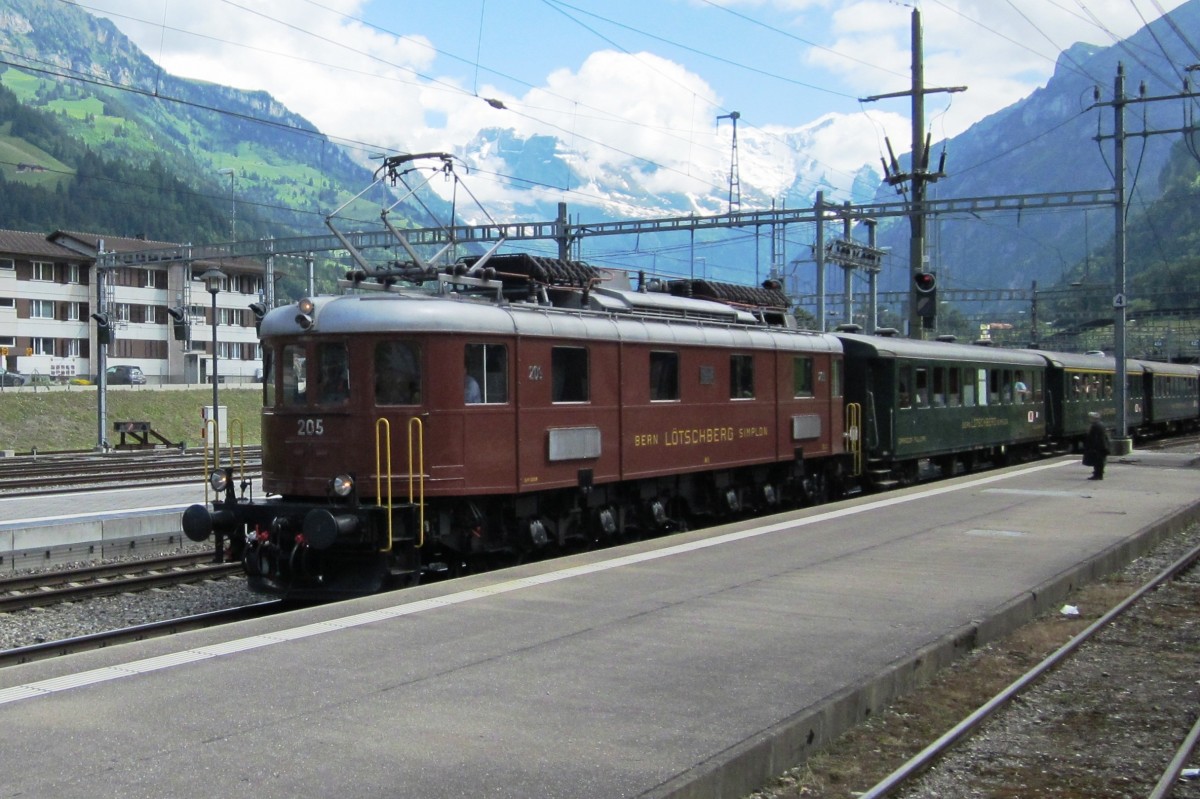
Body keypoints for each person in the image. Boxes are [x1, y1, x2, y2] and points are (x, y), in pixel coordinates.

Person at [1083, 411, 1111, 480]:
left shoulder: (1095, 426)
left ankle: (1098, 475)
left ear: (1093, 418)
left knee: (1097, 462)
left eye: (1090, 418)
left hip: (1098, 447)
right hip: (1102, 446)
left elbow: (1094, 437)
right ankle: (1098, 474)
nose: (1089, 419)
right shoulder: (1101, 424)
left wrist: (1092, 447)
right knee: (1100, 461)